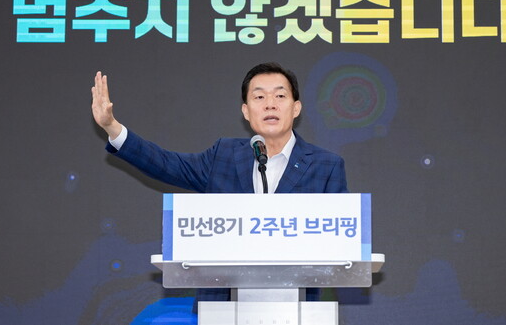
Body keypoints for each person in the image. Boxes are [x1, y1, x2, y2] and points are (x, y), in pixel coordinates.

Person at [91, 62, 348, 307]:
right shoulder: (223, 155)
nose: (270, 104)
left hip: (298, 306)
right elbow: (167, 164)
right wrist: (112, 127)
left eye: (280, 96)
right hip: (223, 307)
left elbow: (343, 241)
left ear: (296, 108)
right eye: (259, 97)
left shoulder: (325, 165)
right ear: (246, 111)